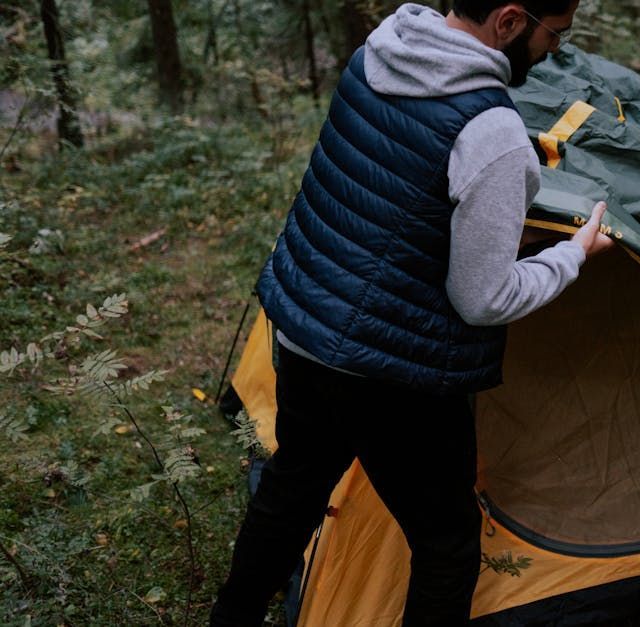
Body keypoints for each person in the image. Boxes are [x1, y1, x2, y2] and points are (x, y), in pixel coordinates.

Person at [209, 1, 611, 625]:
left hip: (305, 324)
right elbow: (483, 300)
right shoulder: (492, 131)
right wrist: (572, 255)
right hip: (392, 371)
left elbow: (394, 202)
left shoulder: (382, 48)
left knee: (293, 489)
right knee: (445, 540)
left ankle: (229, 618)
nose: (553, 48)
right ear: (509, 21)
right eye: (552, 33)